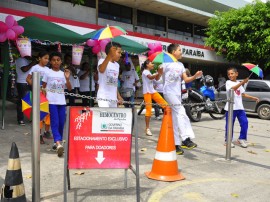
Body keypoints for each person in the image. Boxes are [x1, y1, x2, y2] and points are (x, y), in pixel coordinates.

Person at [159, 43, 202, 155]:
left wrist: (195, 76)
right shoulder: (165, 63)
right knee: (182, 112)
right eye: (179, 50)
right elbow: (158, 78)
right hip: (168, 92)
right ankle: (186, 139)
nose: (181, 52)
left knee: (175, 118)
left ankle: (176, 145)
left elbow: (186, 79)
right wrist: (159, 73)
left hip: (177, 93)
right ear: (173, 52)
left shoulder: (181, 65)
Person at [42, 52, 72, 157]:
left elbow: (69, 88)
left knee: (61, 123)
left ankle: (56, 142)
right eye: (54, 60)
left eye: (58, 60)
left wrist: (67, 78)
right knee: (55, 122)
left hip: (62, 101)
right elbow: (43, 86)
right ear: (50, 62)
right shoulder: (48, 72)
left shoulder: (63, 73)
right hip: (51, 102)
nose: (56, 62)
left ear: (61, 61)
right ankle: (59, 143)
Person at [224, 67, 259, 148]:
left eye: (232, 73)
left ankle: (241, 139)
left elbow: (242, 94)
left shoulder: (239, 83)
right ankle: (228, 141)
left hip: (240, 108)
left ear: (236, 74)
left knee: (245, 123)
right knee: (229, 125)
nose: (230, 75)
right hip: (230, 108)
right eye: (228, 74)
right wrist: (243, 82)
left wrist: (254, 98)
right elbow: (232, 89)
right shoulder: (228, 82)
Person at [26, 51, 52, 144]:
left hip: (47, 94)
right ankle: (39, 134)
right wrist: (36, 87)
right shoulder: (34, 67)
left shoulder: (48, 69)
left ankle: (47, 131)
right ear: (39, 58)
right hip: (38, 94)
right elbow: (28, 79)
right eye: (45, 58)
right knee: (39, 114)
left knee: (48, 113)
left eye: (48, 58)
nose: (47, 60)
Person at [142, 60, 168, 136]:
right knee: (148, 110)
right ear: (147, 65)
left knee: (165, 105)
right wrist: (158, 73)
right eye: (151, 63)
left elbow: (156, 80)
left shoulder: (149, 72)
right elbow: (150, 78)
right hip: (147, 92)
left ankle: (167, 124)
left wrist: (160, 73)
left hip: (152, 91)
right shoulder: (145, 72)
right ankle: (147, 128)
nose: (152, 64)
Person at [97, 42, 123, 107]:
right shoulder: (102, 61)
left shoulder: (117, 65)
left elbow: (114, 82)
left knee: (113, 117)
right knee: (105, 116)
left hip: (113, 98)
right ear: (112, 51)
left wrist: (118, 96)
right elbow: (101, 70)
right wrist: (109, 55)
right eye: (119, 52)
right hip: (103, 97)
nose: (120, 55)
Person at [15, 56, 36, 125]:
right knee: (22, 102)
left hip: (29, 82)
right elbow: (24, 69)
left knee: (31, 101)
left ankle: (31, 117)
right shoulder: (21, 60)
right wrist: (33, 63)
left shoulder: (27, 60)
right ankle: (20, 119)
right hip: (22, 82)